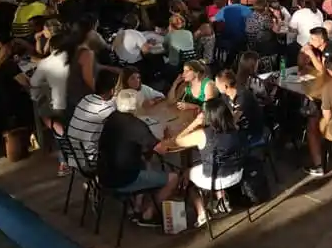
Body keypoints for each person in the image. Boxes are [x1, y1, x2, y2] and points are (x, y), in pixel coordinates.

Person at [97, 90, 179, 228]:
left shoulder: (111, 118)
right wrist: (167, 138)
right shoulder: (137, 125)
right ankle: (148, 214)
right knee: (173, 178)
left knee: (145, 162)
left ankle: (136, 207)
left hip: (104, 173)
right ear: (136, 106)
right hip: (123, 178)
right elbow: (162, 150)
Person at [164, 97, 245, 228]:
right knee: (218, 164)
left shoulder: (203, 134)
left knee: (187, 175)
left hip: (215, 178)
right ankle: (222, 200)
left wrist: (194, 123)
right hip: (237, 173)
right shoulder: (234, 127)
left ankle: (202, 214)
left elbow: (178, 140)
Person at [67, 70, 119, 164]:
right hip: (89, 159)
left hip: (74, 156)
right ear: (112, 90)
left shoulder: (86, 99)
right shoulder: (104, 110)